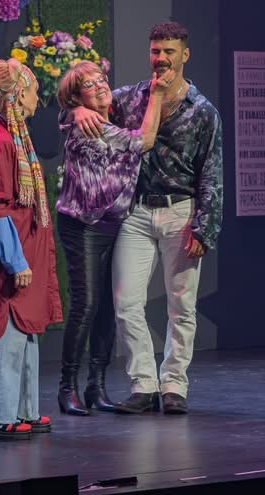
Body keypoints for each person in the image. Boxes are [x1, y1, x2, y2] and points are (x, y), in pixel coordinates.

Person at [73, 21, 223, 415]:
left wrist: (204, 226)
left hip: (181, 211)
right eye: (156, 51)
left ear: (185, 54)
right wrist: (76, 109)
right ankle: (143, 384)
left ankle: (174, 385)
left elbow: (212, 172)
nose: (161, 58)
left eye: (169, 51)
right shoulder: (128, 98)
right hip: (136, 211)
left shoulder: (203, 111)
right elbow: (90, 104)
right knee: (126, 302)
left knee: (181, 305)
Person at [54, 60, 174, 416]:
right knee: (86, 304)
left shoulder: (108, 117)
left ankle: (96, 385)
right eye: (89, 85)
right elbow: (146, 140)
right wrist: (157, 94)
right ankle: (67, 387)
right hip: (83, 225)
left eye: (101, 79)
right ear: (77, 97)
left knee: (108, 306)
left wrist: (73, 109)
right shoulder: (88, 127)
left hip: (113, 225)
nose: (100, 86)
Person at [0, 57, 63, 441]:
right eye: (34, 91)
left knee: (23, 333)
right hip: (5, 261)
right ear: (19, 94)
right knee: (2, 331)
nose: (38, 98)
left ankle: (21, 410)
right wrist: (15, 260)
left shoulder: (13, 137)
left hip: (22, 255)